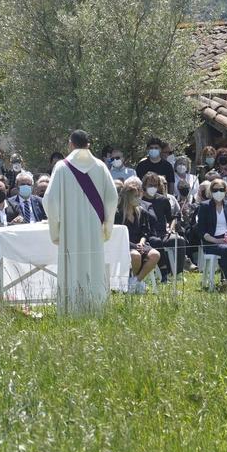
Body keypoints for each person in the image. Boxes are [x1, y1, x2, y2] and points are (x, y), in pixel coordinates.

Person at [44, 130, 118, 314]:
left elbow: (50, 200)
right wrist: (106, 227)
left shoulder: (61, 167)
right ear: (89, 145)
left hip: (70, 230)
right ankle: (95, 308)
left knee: (71, 267)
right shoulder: (100, 166)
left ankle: (71, 310)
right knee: (94, 265)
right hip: (94, 230)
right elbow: (112, 198)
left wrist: (57, 227)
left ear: (70, 144)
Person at [198, 178, 227, 291]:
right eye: (215, 190)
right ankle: (224, 282)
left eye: (221, 189)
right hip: (211, 241)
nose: (218, 192)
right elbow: (201, 230)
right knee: (226, 250)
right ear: (210, 191)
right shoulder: (204, 206)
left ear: (226, 190)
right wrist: (216, 240)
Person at [141, 173, 187, 281]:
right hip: (146, 235)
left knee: (179, 240)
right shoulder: (140, 199)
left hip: (163, 233)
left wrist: (172, 226)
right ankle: (164, 271)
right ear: (144, 185)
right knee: (156, 242)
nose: (152, 187)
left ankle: (178, 273)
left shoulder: (163, 200)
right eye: (150, 185)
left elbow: (171, 218)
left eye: (155, 185)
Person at [114, 185, 159, 293]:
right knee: (135, 255)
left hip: (140, 244)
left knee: (155, 254)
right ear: (127, 197)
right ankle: (134, 281)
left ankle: (135, 281)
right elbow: (119, 236)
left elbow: (145, 231)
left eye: (139, 196)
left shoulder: (141, 212)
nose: (139, 199)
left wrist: (141, 243)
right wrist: (136, 246)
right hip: (124, 245)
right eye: (135, 196)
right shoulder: (117, 214)